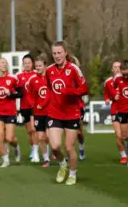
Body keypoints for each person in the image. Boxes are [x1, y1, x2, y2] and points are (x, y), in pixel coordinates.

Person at [45, 41, 89, 185]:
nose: (57, 56)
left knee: (69, 148)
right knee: (55, 146)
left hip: (72, 113)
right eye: (54, 53)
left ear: (65, 53)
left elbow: (84, 89)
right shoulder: (49, 70)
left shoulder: (73, 69)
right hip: (55, 113)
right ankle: (62, 165)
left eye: (59, 53)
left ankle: (73, 174)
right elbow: (48, 88)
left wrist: (71, 91)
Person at [27, 54, 51, 166]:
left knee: (50, 137)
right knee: (40, 136)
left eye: (40, 65)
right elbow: (30, 94)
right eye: (36, 66)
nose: (38, 68)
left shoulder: (51, 77)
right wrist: (33, 104)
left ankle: (56, 152)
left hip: (51, 112)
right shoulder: (33, 79)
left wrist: (44, 103)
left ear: (45, 65)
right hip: (39, 113)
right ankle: (46, 159)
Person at [16, 54, 38, 162]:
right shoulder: (19, 76)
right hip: (24, 106)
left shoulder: (37, 74)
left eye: (29, 63)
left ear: (32, 63)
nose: (27, 65)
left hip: (35, 106)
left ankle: (36, 152)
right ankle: (33, 148)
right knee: (29, 131)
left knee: (34, 129)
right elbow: (16, 90)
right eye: (25, 63)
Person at [104, 61, 126, 162]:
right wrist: (107, 99)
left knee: (126, 135)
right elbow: (106, 94)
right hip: (115, 109)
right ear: (112, 69)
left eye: (119, 67)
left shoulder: (126, 79)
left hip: (126, 110)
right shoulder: (108, 82)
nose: (117, 69)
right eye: (115, 67)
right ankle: (123, 156)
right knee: (118, 134)